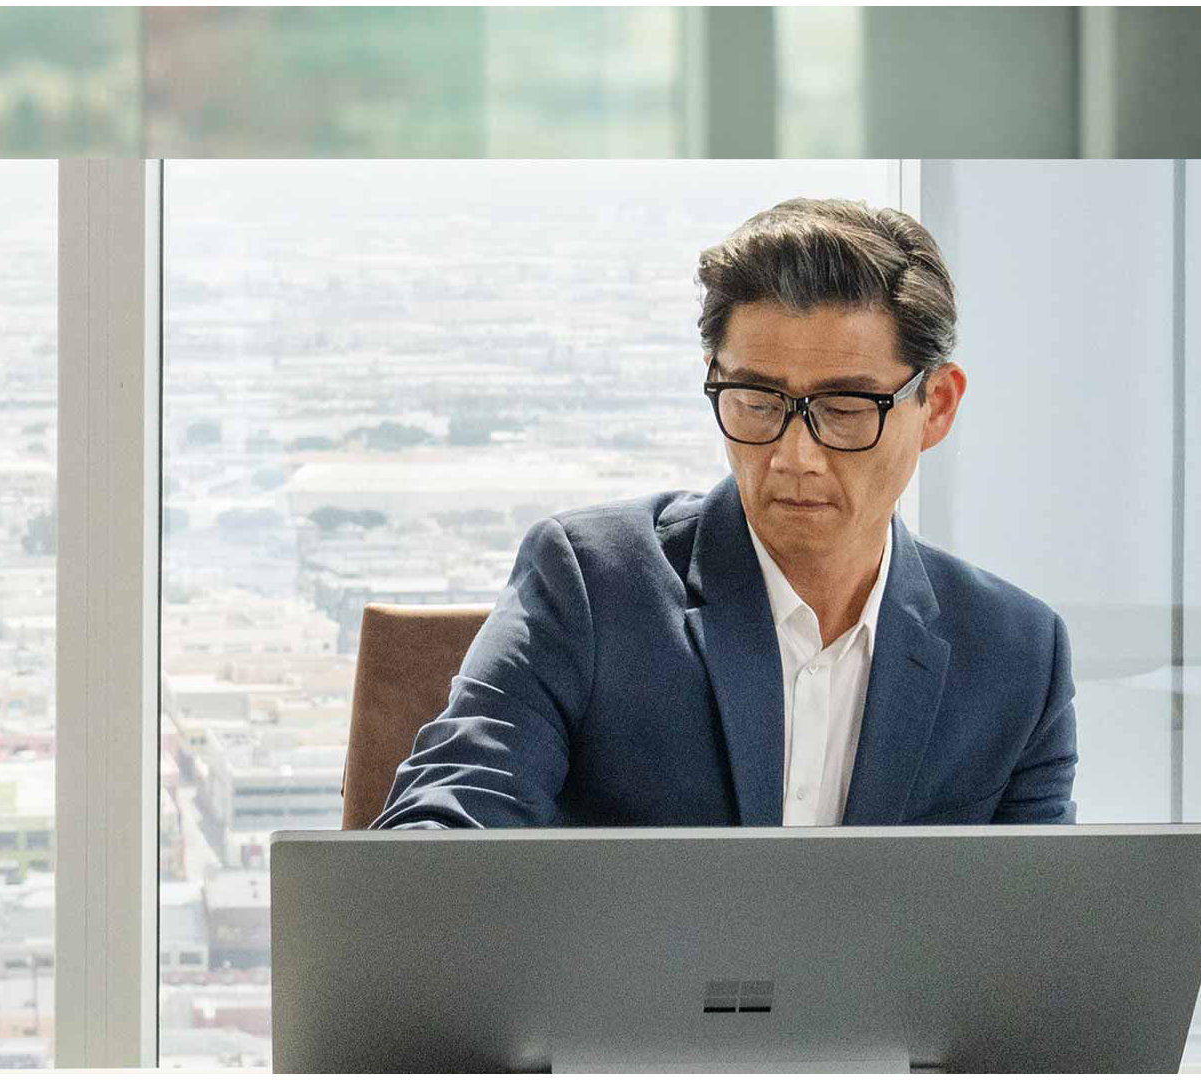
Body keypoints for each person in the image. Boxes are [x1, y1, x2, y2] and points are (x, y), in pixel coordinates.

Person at [371, 197, 1077, 829]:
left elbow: (1041, 932)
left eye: (844, 408)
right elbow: (442, 834)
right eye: (758, 401)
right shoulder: (589, 585)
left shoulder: (1016, 655)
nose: (794, 455)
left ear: (938, 407)